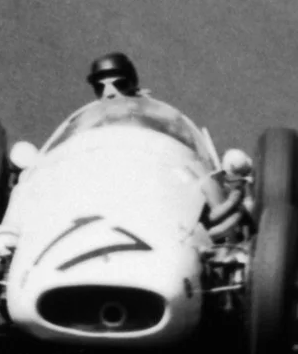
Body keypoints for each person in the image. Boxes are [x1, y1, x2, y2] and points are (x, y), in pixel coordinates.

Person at [76, 52, 250, 228]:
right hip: (112, 191)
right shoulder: (87, 123)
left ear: (132, 83)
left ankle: (230, 229)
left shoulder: (159, 114)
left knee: (203, 180)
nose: (109, 93)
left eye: (119, 84)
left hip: (162, 183)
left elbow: (187, 152)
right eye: (100, 88)